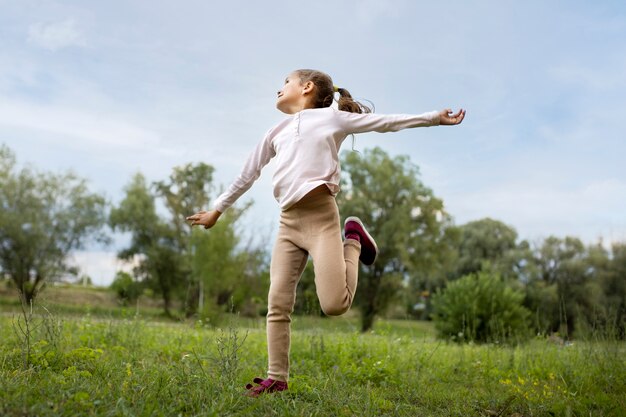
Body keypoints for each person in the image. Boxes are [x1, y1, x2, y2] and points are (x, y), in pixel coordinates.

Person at [186, 69, 465, 397]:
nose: (279, 89)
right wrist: (217, 209)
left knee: (335, 305)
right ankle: (277, 377)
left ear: (306, 87)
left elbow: (386, 122)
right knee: (277, 302)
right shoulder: (275, 131)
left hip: (321, 221)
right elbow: (249, 173)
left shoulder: (332, 119)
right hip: (288, 224)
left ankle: (354, 239)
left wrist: (432, 117)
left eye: (285, 83)